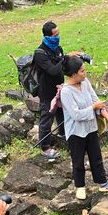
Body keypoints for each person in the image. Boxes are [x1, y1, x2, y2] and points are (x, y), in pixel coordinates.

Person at [60, 54, 108, 200]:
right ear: (73, 74)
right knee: (78, 160)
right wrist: (93, 107)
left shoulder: (85, 82)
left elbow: (97, 101)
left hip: (91, 127)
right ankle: (80, 186)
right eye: (82, 71)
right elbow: (76, 115)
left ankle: (103, 183)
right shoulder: (66, 92)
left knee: (96, 157)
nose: (85, 73)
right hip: (75, 131)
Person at [33, 21, 81, 161]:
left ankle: (63, 134)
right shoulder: (40, 53)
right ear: (48, 37)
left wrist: (72, 61)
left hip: (60, 87)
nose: (58, 37)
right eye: (55, 35)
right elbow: (53, 70)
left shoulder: (57, 48)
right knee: (47, 117)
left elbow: (62, 67)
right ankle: (45, 147)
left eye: (59, 33)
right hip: (47, 91)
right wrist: (65, 58)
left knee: (62, 112)